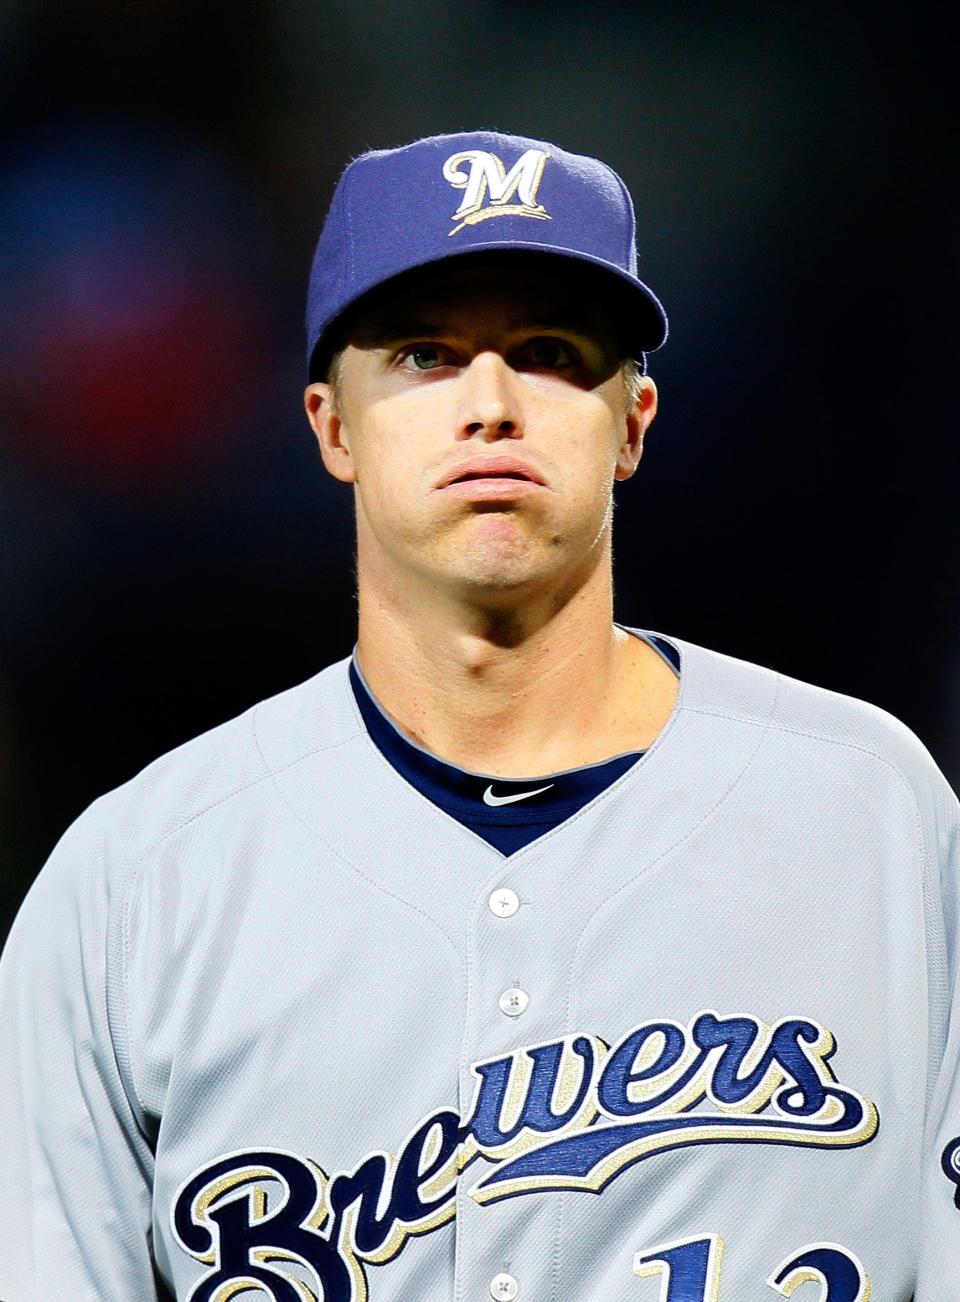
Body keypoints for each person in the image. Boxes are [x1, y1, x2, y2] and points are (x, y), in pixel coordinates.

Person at [0, 129, 956, 1302]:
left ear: (636, 422)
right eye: (424, 355)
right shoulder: (137, 884)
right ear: (332, 426)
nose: (492, 404)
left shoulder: (875, 819)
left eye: (550, 353)